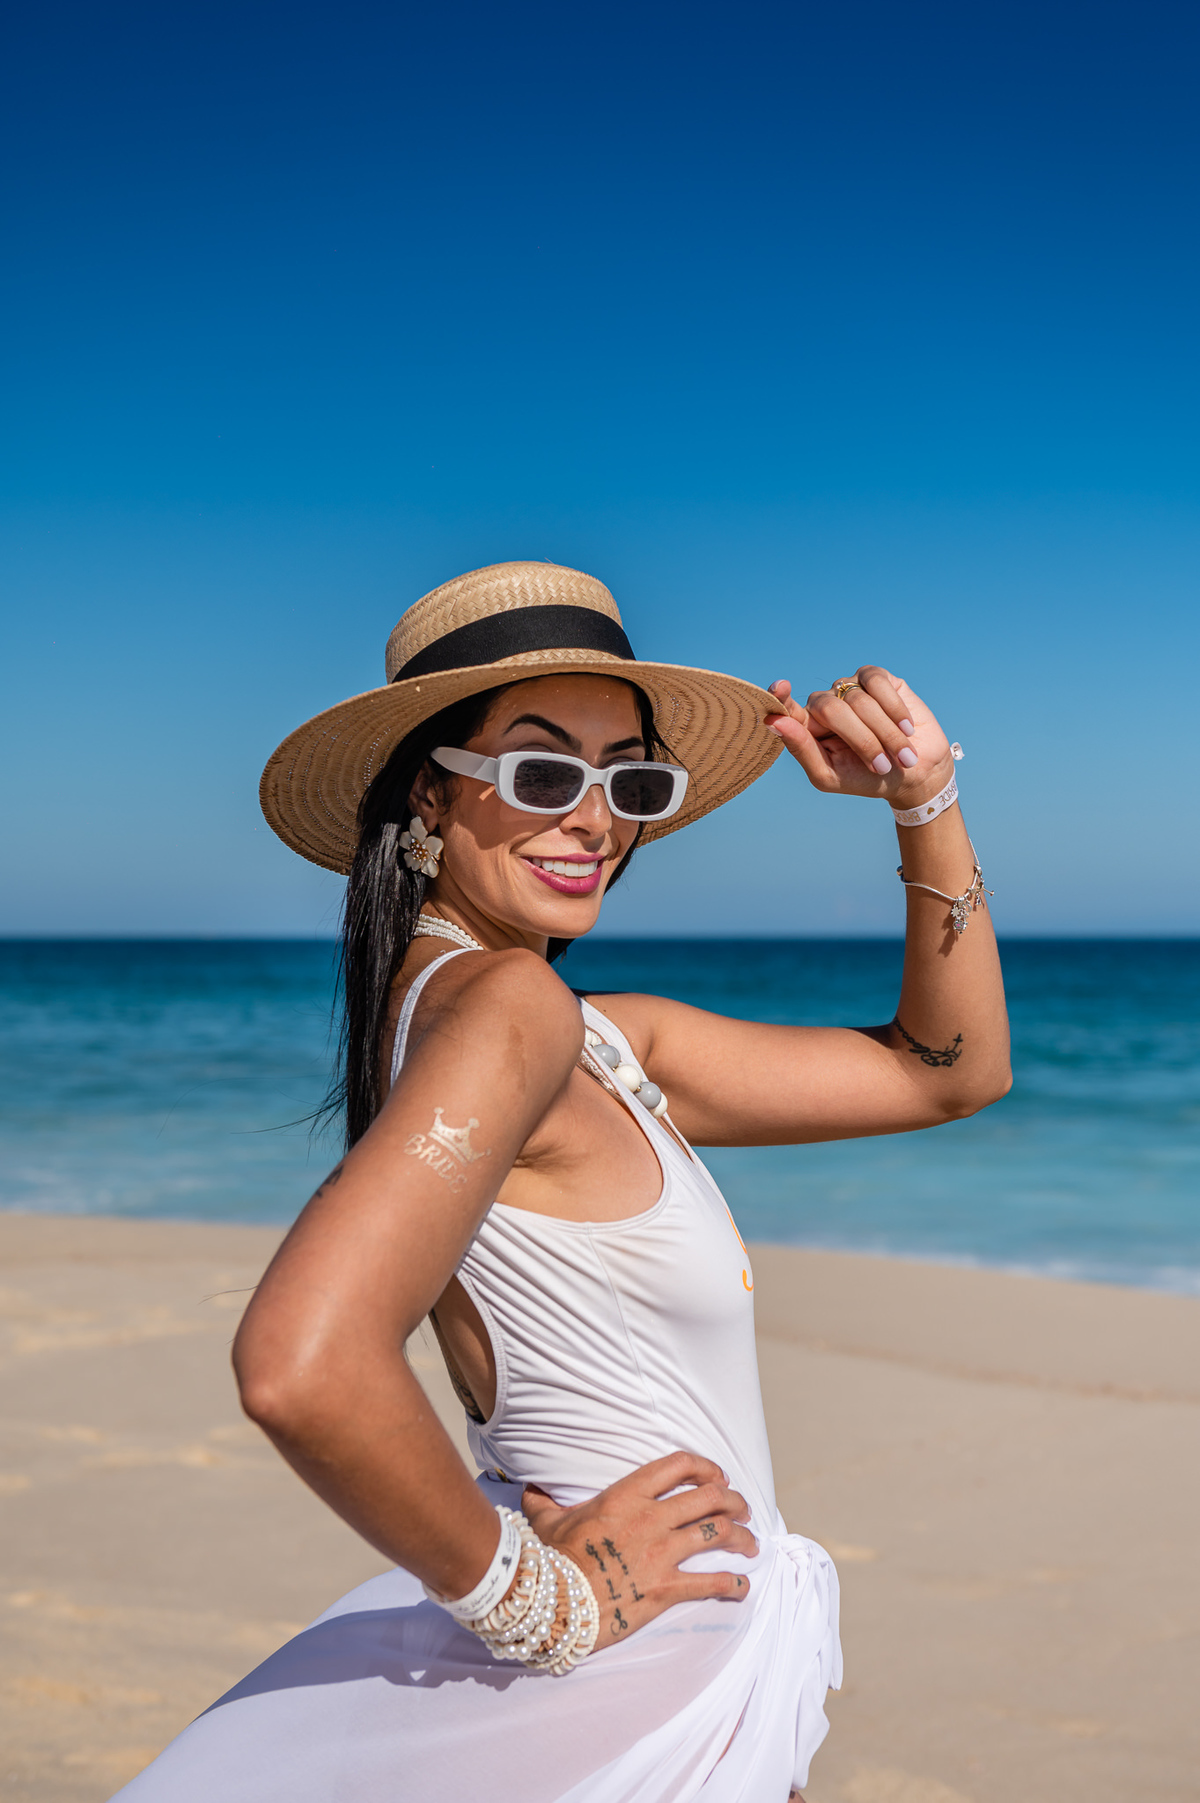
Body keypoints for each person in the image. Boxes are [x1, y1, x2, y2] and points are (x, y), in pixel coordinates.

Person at [115, 561, 1010, 1802]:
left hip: (656, 1649)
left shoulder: (580, 1039)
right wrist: (537, 1601)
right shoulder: (509, 1013)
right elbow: (301, 1364)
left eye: (626, 780)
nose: (593, 819)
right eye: (542, 772)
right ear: (432, 794)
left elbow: (941, 1073)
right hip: (636, 1663)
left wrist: (925, 797)